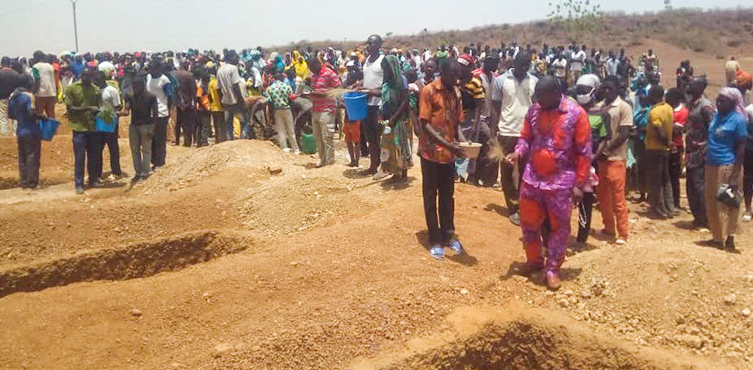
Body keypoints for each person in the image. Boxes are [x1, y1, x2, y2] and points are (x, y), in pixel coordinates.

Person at [506, 76, 592, 290]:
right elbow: (525, 138)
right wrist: (518, 153)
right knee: (528, 224)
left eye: (543, 98)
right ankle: (534, 261)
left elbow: (584, 151)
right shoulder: (533, 111)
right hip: (532, 179)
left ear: (556, 93)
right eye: (537, 97)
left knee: (559, 228)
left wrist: (579, 184)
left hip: (561, 183)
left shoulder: (576, 114)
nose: (539, 102)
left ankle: (553, 268)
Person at [418, 59, 467, 260]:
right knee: (431, 195)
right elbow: (425, 124)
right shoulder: (429, 91)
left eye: (458, 76)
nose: (456, 79)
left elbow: (458, 124)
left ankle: (448, 233)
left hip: (448, 156)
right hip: (430, 153)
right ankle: (434, 238)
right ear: (443, 72)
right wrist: (447, 144)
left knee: (448, 195)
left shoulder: (455, 93)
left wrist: (464, 144)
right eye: (453, 75)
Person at [491, 51, 538, 226]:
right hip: (506, 132)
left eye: (527, 65)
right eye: (522, 64)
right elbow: (496, 108)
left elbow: (537, 107)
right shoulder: (501, 81)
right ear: (514, 62)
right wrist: (492, 130)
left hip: (528, 134)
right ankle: (513, 208)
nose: (524, 68)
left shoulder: (534, 81)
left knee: (528, 171)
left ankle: (525, 205)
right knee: (507, 172)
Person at [704, 87, 748, 252]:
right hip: (711, 163)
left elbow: (741, 148)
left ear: (733, 103)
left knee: (728, 202)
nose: (719, 103)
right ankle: (716, 237)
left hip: (727, 165)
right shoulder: (716, 117)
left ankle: (729, 237)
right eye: (718, 100)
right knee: (711, 200)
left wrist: (735, 174)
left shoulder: (738, 120)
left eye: (723, 101)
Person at [596, 77, 633, 244]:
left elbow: (624, 133)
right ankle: (609, 228)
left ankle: (623, 233)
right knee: (603, 196)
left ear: (617, 90)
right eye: (604, 88)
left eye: (610, 89)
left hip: (616, 157)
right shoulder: (599, 107)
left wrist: (607, 149)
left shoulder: (624, 107)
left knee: (618, 197)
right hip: (601, 158)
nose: (607, 92)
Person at [575, 74, 611, 245]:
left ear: (594, 92)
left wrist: (593, 157)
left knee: (586, 200)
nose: (581, 93)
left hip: (591, 162)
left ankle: (581, 238)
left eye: (584, 90)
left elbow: (604, 139)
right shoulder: (572, 111)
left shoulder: (602, 114)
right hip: (571, 161)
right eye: (579, 90)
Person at [65, 68, 102, 194]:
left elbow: (99, 106)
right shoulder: (72, 88)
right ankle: (79, 184)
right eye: (85, 76)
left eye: (89, 76)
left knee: (93, 155)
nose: (87, 78)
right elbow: (70, 108)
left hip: (92, 127)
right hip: (78, 127)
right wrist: (87, 108)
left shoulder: (96, 90)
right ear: (81, 75)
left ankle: (93, 179)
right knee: (80, 157)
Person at [685, 77, 714, 229]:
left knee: (699, 185)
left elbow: (712, 129)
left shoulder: (705, 106)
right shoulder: (691, 104)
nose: (690, 85)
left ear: (701, 88)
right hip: (691, 149)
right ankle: (697, 216)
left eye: (693, 84)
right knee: (690, 184)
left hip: (701, 151)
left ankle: (706, 219)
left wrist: (706, 147)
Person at [644, 85, 675, 219]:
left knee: (656, 181)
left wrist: (666, 142)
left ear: (654, 96)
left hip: (655, 148)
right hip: (664, 150)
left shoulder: (654, 112)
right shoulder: (668, 108)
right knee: (666, 179)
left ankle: (660, 210)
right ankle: (670, 207)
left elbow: (659, 131)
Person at [378, 55, 411, 179]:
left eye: (386, 69)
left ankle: (403, 172)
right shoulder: (387, 82)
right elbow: (382, 96)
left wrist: (394, 118)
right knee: (388, 146)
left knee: (399, 145)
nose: (384, 72)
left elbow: (405, 101)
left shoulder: (401, 80)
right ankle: (394, 171)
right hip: (388, 119)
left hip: (398, 119)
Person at [123, 75, 158, 183]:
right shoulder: (130, 96)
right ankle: (138, 172)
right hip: (134, 126)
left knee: (146, 150)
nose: (134, 89)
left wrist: (153, 128)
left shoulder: (151, 97)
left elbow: (155, 114)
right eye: (133, 87)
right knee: (135, 150)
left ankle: (145, 172)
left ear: (142, 86)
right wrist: (122, 111)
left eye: (136, 87)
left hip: (146, 125)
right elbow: (127, 109)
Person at [8, 74, 41, 189]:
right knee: (32, 156)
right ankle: (32, 182)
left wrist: (20, 116)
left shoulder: (12, 97)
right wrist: (41, 117)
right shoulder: (29, 96)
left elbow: (10, 115)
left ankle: (24, 182)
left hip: (20, 130)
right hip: (31, 130)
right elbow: (31, 113)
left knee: (22, 157)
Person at [307, 57, 341, 167]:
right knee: (318, 137)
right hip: (316, 108)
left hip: (327, 108)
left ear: (318, 64)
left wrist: (324, 94)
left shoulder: (329, 73)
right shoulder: (314, 76)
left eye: (312, 67)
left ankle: (330, 162)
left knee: (327, 137)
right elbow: (315, 89)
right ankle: (322, 160)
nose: (311, 70)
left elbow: (338, 89)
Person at [361, 35, 385, 175]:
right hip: (367, 104)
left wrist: (373, 92)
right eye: (367, 43)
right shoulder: (366, 61)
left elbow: (389, 84)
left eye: (371, 43)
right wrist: (359, 85)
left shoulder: (383, 61)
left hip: (379, 105)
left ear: (379, 45)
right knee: (370, 137)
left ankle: (385, 166)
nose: (368, 46)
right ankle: (373, 165)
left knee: (380, 137)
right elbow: (367, 79)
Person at [94, 71, 124, 180]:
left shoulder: (112, 91)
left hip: (110, 122)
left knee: (113, 148)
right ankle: (97, 173)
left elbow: (118, 106)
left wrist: (110, 115)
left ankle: (116, 172)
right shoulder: (95, 91)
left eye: (97, 81)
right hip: (98, 122)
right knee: (97, 149)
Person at [217, 51, 252, 140]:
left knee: (228, 125)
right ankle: (242, 141)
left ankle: (230, 143)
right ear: (231, 58)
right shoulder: (233, 69)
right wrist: (241, 101)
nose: (238, 59)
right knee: (245, 122)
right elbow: (235, 86)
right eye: (236, 58)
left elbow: (218, 89)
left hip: (225, 101)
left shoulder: (220, 70)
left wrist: (221, 101)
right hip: (235, 101)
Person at [263, 71, 299, 153]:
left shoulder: (270, 88)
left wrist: (271, 115)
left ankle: (284, 148)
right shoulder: (286, 86)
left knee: (281, 130)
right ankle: (295, 149)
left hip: (277, 110)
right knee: (290, 130)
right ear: (282, 78)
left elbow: (269, 101)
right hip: (287, 109)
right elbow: (291, 99)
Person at [146, 60, 171, 169]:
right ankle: (154, 160)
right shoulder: (148, 77)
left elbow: (170, 96)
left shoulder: (164, 80)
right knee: (152, 138)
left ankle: (160, 161)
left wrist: (168, 111)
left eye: (152, 69)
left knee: (160, 138)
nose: (150, 71)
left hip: (161, 112)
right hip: (149, 112)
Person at [666, 88, 688, 210]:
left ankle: (675, 202)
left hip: (676, 146)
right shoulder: (668, 109)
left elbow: (677, 129)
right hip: (665, 145)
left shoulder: (682, 112)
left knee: (674, 175)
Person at [173, 62, 198, 147]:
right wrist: (194, 102)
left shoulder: (173, 74)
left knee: (177, 123)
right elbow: (193, 90)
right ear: (187, 66)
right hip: (187, 102)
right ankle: (187, 142)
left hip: (176, 101)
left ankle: (176, 140)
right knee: (187, 123)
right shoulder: (189, 75)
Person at [31, 51, 57, 119]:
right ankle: (52, 128)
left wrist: (33, 92)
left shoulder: (35, 67)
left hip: (41, 94)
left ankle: (39, 129)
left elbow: (37, 80)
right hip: (51, 93)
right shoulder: (50, 66)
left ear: (36, 57)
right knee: (51, 114)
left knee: (39, 113)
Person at [0, 57, 19, 137]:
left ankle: (5, 135)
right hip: (14, 98)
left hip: (2, 98)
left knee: (3, 117)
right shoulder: (15, 73)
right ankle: (15, 134)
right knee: (15, 117)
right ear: (9, 64)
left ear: (1, 64)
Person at [207, 65, 226, 144]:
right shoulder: (219, 83)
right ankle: (222, 140)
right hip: (220, 107)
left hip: (213, 106)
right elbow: (220, 94)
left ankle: (217, 140)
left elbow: (209, 95)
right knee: (222, 125)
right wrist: (222, 104)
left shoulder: (211, 82)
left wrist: (211, 104)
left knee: (216, 125)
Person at [743, 103, 753, 222]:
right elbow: (743, 132)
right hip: (750, 150)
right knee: (748, 180)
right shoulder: (749, 111)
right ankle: (748, 208)